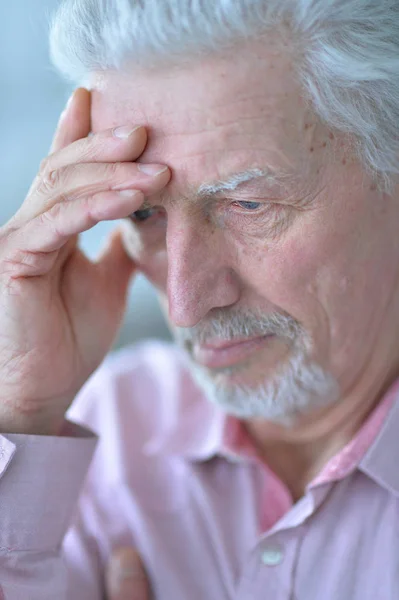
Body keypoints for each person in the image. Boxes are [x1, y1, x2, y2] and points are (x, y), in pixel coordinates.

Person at [1, 0, 399, 598]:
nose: (185, 304)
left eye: (249, 205)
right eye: (143, 212)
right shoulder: (88, 435)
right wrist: (19, 405)